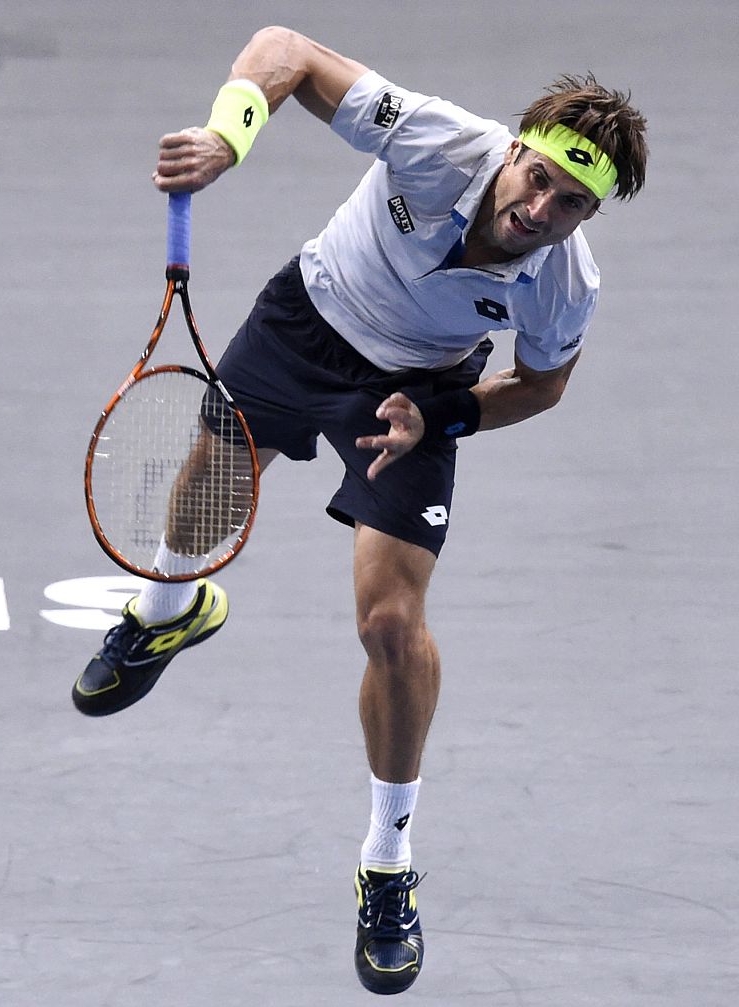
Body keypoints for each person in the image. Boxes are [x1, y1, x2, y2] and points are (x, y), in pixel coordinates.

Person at [70, 25, 647, 995]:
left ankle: (386, 862)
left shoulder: (564, 281)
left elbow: (539, 387)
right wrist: (226, 138)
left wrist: (442, 413)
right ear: (513, 149)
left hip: (413, 393)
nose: (540, 209)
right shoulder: (433, 140)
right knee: (204, 505)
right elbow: (283, 49)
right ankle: (169, 612)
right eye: (538, 178)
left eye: (571, 203)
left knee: (390, 623)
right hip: (305, 322)